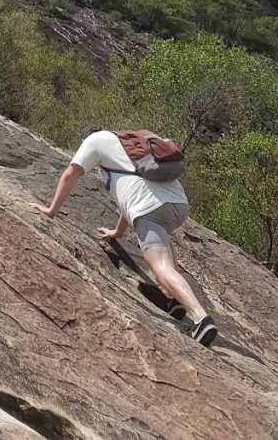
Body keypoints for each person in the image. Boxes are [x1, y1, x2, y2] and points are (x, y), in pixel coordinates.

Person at [29, 128, 217, 346]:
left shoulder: (94, 140)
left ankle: (200, 319)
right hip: (178, 205)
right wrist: (118, 232)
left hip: (150, 209)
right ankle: (177, 302)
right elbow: (130, 193)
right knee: (162, 244)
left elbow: (71, 173)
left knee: (159, 266)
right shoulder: (130, 145)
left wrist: (51, 210)